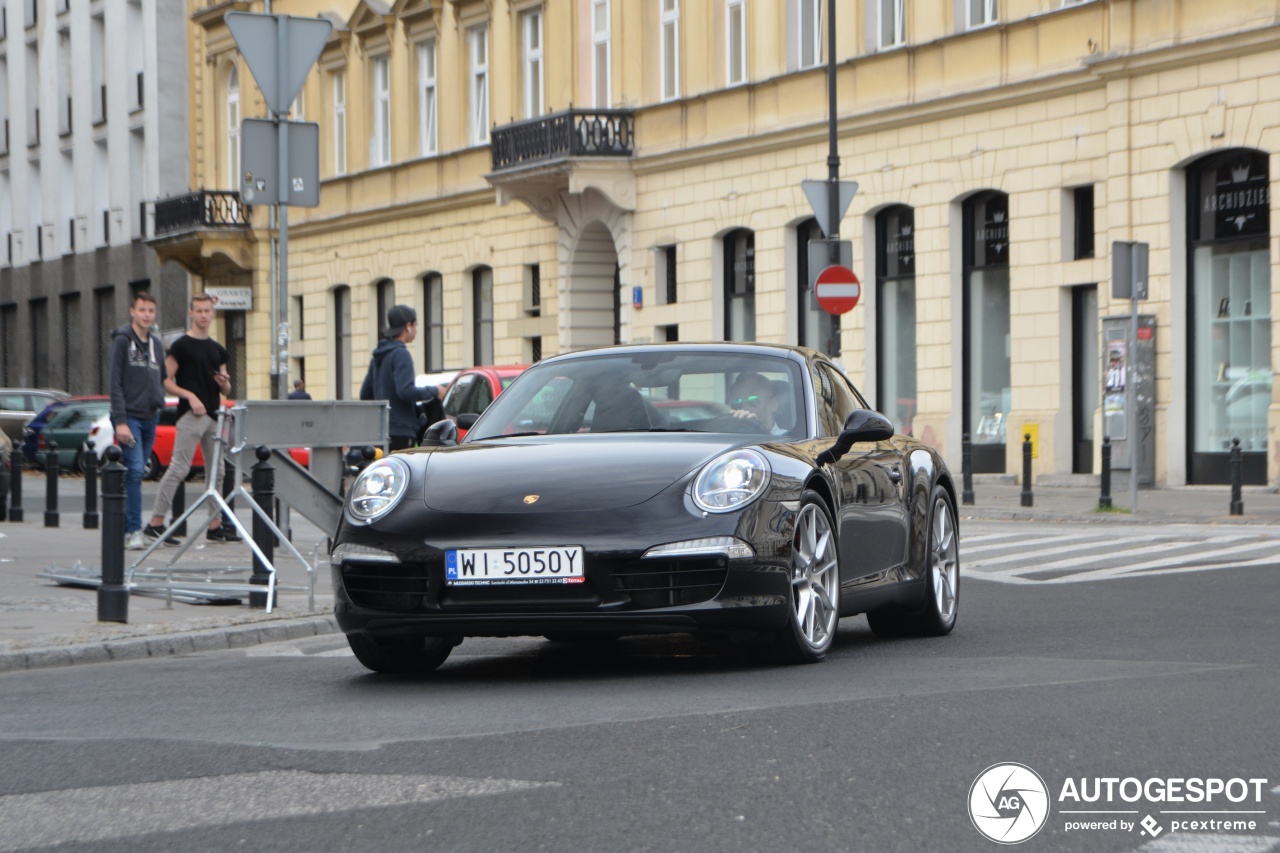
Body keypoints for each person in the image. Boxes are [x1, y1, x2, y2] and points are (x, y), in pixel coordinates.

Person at [143, 293, 238, 545]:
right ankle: (155, 523)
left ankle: (215, 527)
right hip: (189, 415)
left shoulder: (218, 349)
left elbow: (227, 390)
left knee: (216, 473)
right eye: (199, 311)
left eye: (207, 311)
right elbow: (165, 380)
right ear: (191, 313)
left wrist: (225, 383)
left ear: (212, 314)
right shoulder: (181, 346)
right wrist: (190, 396)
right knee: (179, 467)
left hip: (213, 416)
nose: (204, 315)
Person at [107, 291, 167, 550]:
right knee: (133, 472)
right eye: (142, 310)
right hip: (129, 416)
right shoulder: (122, 341)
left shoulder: (156, 345)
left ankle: (122, 523)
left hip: (150, 416)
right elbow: (115, 382)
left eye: (151, 311)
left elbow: (161, 378)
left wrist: (160, 400)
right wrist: (120, 420)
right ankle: (133, 531)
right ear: (132, 311)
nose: (146, 315)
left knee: (137, 471)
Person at [360, 304, 445, 451]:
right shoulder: (401, 354)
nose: (416, 331)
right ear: (408, 326)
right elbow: (406, 391)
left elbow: (365, 394)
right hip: (401, 431)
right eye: (416, 326)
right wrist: (435, 391)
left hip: (380, 432)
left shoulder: (379, 356)